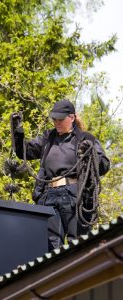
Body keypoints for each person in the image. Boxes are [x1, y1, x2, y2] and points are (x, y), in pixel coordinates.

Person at [11, 99, 110, 250]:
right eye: (54, 119)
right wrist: (17, 132)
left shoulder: (86, 139)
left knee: (76, 244)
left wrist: (90, 154)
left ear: (71, 118)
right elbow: (24, 152)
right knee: (49, 246)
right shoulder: (48, 138)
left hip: (75, 196)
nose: (56, 122)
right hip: (49, 195)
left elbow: (104, 165)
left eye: (60, 119)